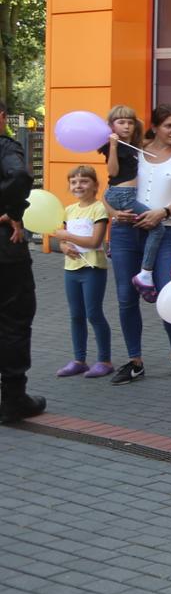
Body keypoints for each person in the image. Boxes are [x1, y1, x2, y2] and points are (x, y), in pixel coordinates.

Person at [107, 104, 171, 384]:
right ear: (155, 127)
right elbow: (111, 188)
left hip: (163, 230)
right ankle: (135, 361)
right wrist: (113, 213)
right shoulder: (134, 150)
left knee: (168, 293)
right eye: (168, 126)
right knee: (126, 297)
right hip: (126, 231)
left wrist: (162, 212)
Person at [0, 103, 44, 424]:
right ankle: (13, 399)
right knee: (14, 319)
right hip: (6, 249)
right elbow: (19, 175)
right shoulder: (5, 147)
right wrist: (13, 212)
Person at [51, 166, 114, 379]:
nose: (78, 186)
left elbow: (95, 241)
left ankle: (105, 360)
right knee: (76, 315)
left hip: (92, 269)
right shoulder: (68, 210)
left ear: (95, 186)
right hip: (71, 269)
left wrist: (66, 236)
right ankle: (79, 360)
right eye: (74, 182)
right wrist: (63, 247)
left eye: (84, 181)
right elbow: (62, 241)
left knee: (94, 314)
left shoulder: (99, 209)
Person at [96, 106, 164, 290]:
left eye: (130, 122)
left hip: (125, 194)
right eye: (121, 122)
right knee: (157, 228)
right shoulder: (114, 146)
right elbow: (113, 172)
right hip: (123, 195)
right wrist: (113, 146)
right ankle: (145, 273)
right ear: (112, 126)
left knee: (134, 224)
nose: (126, 126)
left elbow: (152, 142)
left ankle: (114, 247)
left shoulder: (134, 145)